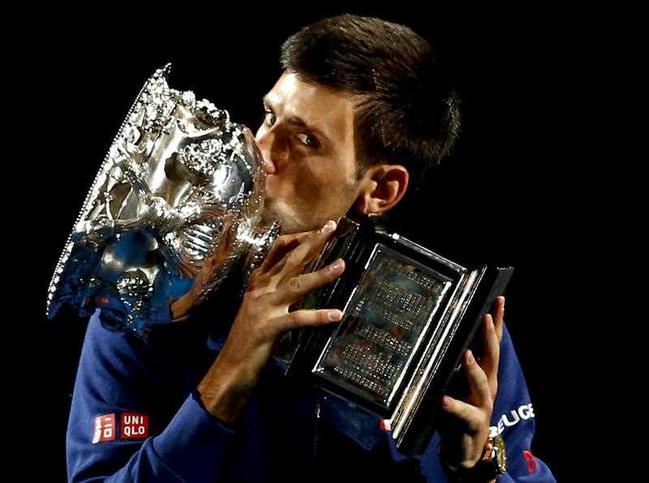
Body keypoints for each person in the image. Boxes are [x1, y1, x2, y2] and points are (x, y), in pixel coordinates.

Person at [66, 15, 556, 482]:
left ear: (380, 190)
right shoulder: (155, 292)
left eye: (304, 140)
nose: (262, 151)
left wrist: (477, 473)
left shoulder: (452, 324)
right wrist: (230, 373)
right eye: (268, 116)